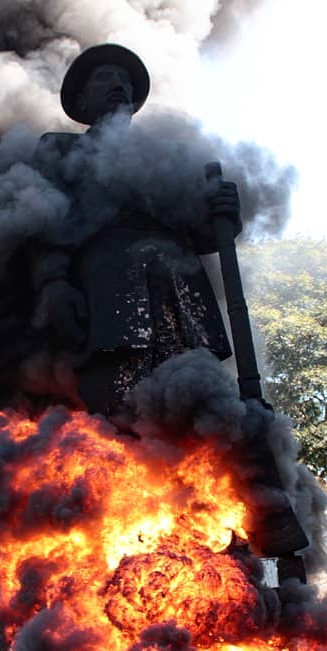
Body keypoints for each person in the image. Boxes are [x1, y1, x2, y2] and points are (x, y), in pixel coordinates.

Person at [30, 43, 240, 417]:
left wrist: (222, 216)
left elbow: (200, 234)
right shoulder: (60, 148)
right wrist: (53, 281)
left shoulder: (166, 159)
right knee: (117, 404)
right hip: (107, 288)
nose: (118, 84)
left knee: (196, 407)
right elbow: (42, 219)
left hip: (180, 289)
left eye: (124, 80)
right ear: (82, 99)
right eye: (105, 77)